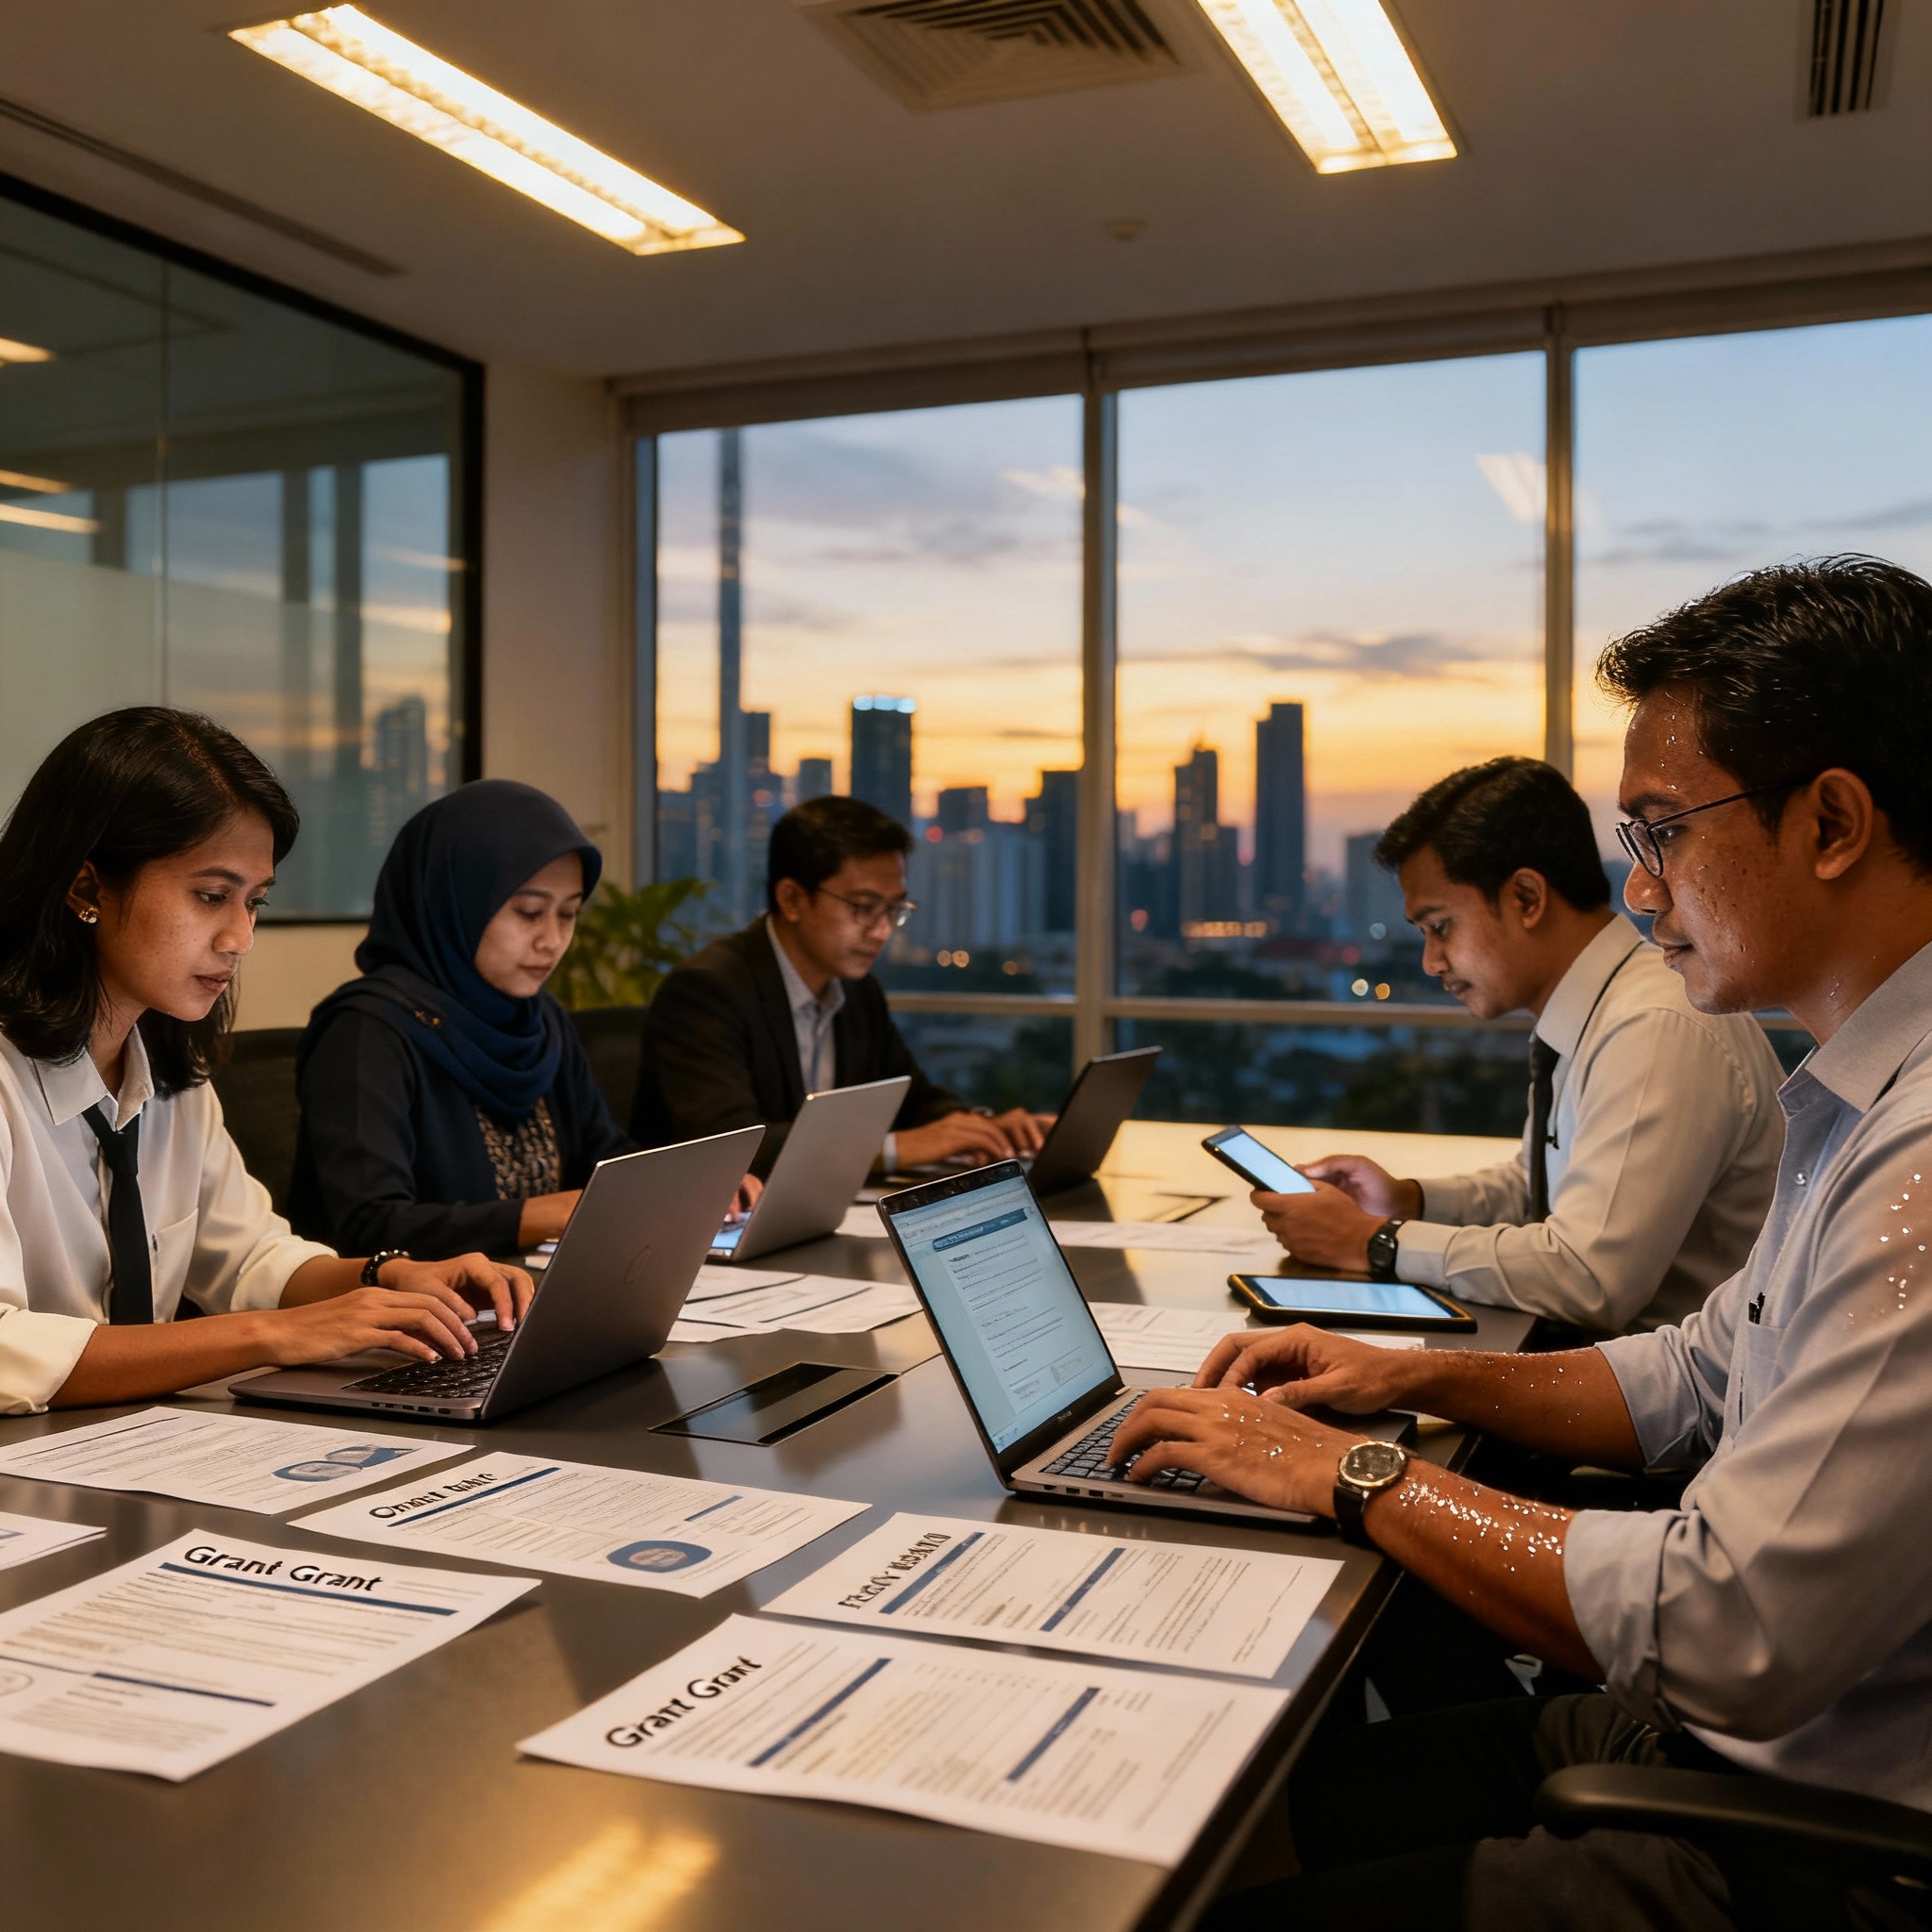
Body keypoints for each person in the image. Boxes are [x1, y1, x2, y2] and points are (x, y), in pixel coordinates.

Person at [1110, 557, 1932, 1931]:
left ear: (1832, 822)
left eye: (1664, 832)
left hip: (1807, 1846)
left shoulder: (1917, 1154)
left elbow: (1731, 1629)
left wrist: (1350, 1469)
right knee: (1283, 1797)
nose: (1646, 887)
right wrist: (1404, 1382)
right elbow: (1694, 1369)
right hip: (1718, 1740)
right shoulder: (1860, 1099)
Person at [0, 708, 531, 1416]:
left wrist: (390, 1276)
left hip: (126, 1451)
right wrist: (274, 1335)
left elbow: (250, 1258)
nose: (241, 937)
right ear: (88, 888)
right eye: (212, 896)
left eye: (254, 902)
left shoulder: (164, 1067)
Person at [1254, 758, 1785, 1334]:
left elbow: (1587, 1278)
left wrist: (1378, 1244)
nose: (1431, 962)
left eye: (1440, 927)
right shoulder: (1599, 1011)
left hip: (1676, 1410)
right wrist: (1408, 1202)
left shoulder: (1654, 1027)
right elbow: (1540, 1191)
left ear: (1527, 898)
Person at [291, 779, 687, 1260]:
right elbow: (368, 1225)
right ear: (456, 904)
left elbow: (605, 1153)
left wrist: (693, 1189)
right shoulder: (366, 1031)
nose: (552, 941)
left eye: (569, 914)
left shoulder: (540, 1019)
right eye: (529, 912)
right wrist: (539, 1217)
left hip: (533, 1300)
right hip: (405, 1319)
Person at [631, 795, 1051, 1176]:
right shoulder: (707, 992)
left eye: (894, 908)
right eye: (864, 908)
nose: (882, 930)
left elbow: (912, 1100)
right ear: (792, 899)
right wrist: (889, 1150)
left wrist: (982, 1128)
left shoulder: (857, 992)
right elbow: (730, 1148)